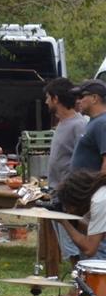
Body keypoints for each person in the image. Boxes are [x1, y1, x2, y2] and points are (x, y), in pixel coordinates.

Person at [45, 78, 88, 260]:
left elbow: (83, 161)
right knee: (66, 244)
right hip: (56, 191)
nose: (46, 102)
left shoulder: (79, 125)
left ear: (56, 99)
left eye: (48, 98)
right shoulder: (61, 124)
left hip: (70, 194)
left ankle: (79, 283)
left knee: (73, 245)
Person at [55, 169, 106, 260]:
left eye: (69, 206)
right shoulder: (100, 194)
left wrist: (64, 222)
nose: (69, 211)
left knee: (95, 257)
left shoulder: (100, 200)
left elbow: (90, 249)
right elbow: (97, 234)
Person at [69, 79, 106, 174]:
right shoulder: (94, 121)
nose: (78, 101)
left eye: (81, 97)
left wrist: (100, 187)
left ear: (94, 98)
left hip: (93, 188)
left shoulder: (102, 123)